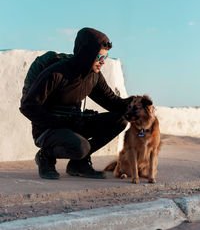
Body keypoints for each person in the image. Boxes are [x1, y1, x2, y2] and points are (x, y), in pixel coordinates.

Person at [19, 27, 134, 180]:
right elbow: (27, 107)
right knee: (82, 147)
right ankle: (45, 156)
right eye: (99, 57)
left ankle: (78, 164)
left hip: (74, 124)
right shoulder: (56, 73)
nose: (103, 62)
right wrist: (61, 122)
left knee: (120, 119)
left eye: (105, 57)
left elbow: (113, 103)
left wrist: (136, 103)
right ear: (87, 54)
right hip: (48, 130)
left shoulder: (94, 76)